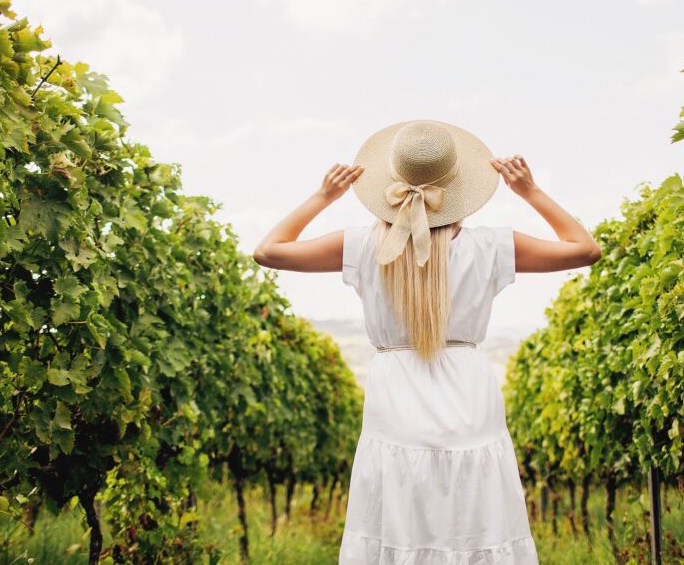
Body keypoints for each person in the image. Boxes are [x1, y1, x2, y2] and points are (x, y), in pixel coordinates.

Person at [253, 119, 602, 563]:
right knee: (475, 517)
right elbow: (585, 248)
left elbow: (268, 250)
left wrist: (325, 196)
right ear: (459, 187)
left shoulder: (361, 246)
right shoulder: (494, 246)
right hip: (468, 397)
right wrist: (529, 191)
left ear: (392, 184)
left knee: (398, 515)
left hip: (395, 399)